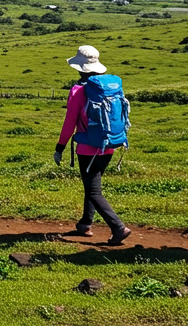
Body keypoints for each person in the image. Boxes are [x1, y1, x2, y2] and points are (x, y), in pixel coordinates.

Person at [54, 46, 131, 245]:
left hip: (88, 148)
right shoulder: (111, 86)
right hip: (110, 144)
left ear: (79, 68)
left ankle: (118, 227)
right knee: (92, 185)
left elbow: (69, 122)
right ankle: (85, 223)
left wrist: (60, 147)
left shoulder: (78, 90)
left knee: (94, 190)